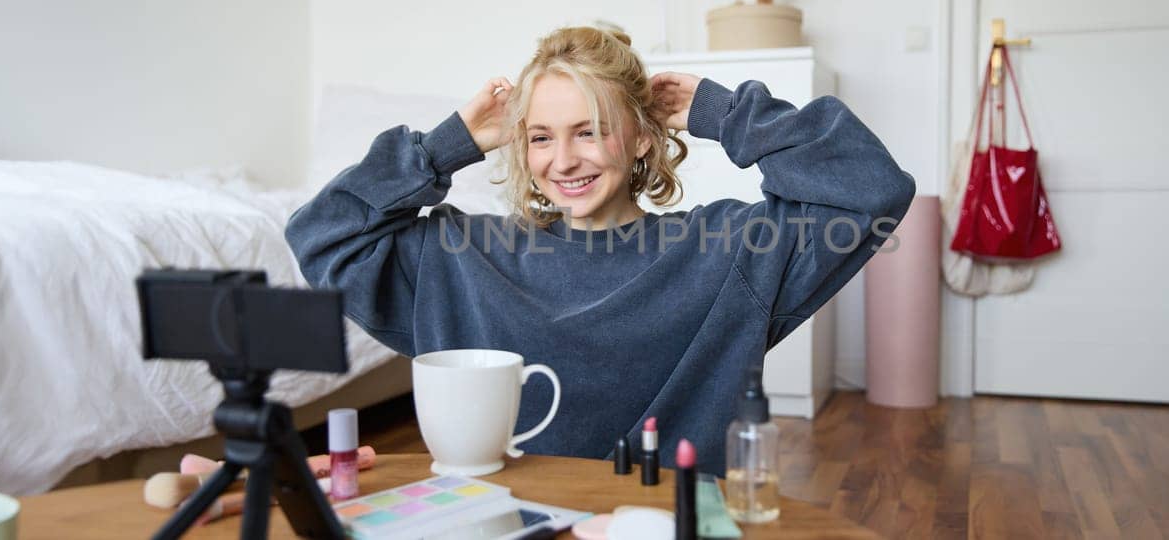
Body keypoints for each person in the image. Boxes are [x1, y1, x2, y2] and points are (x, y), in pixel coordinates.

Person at [285, 26, 915, 474]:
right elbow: (322, 234)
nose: (562, 160)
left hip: (662, 517)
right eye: (539, 137)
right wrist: (442, 147)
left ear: (642, 137)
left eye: (589, 131)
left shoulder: (726, 252)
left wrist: (724, 114)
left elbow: (871, 190)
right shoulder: (460, 257)